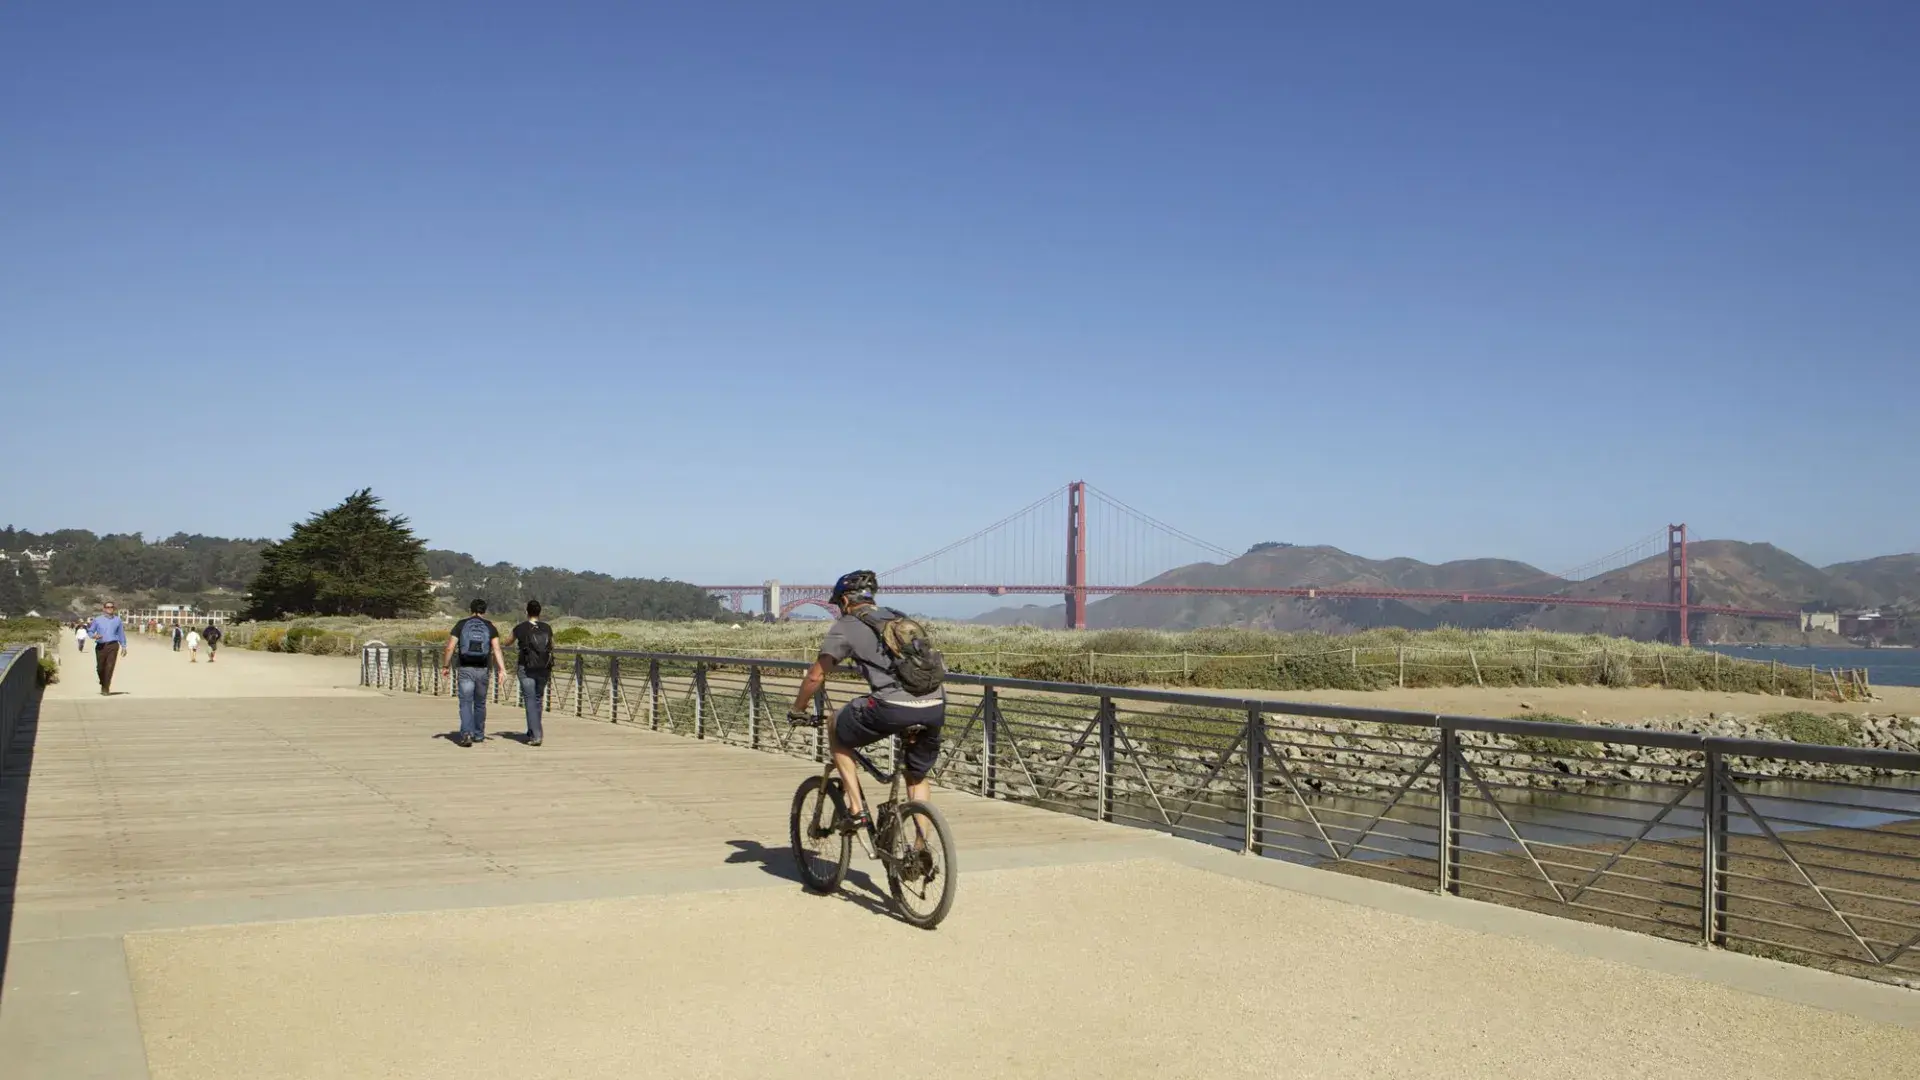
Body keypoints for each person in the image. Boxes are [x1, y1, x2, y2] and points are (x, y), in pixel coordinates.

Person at [786, 570, 945, 830]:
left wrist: (798, 708)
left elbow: (815, 677)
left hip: (892, 707)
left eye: (838, 604)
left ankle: (856, 809)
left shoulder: (846, 626)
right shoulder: (898, 617)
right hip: (934, 704)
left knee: (836, 726)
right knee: (916, 776)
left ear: (845, 601)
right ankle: (921, 848)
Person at [441, 598, 508, 747]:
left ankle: (466, 734)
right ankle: (479, 734)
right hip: (483, 669)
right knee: (480, 703)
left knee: (465, 702)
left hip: (465, 668)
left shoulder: (461, 625)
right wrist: (502, 669)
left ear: (470, 609)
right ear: (484, 610)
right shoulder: (490, 627)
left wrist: (445, 665)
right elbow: (497, 649)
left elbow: (450, 647)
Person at [506, 599, 554, 746]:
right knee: (538, 699)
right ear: (540, 612)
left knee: (530, 700)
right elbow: (552, 644)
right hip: (544, 668)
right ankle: (534, 730)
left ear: (526, 612)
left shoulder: (520, 628)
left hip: (525, 667)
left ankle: (536, 735)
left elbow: (508, 642)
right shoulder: (547, 627)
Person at [86, 601, 128, 695]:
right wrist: (94, 636)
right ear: (104, 609)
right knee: (100, 668)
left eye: (111, 607)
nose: (109, 608)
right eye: (107, 607)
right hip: (101, 646)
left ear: (114, 609)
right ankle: (103, 682)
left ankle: (106, 688)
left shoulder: (117, 620)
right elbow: (90, 631)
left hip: (113, 645)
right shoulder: (97, 620)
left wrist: (124, 646)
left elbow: (121, 634)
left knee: (109, 667)